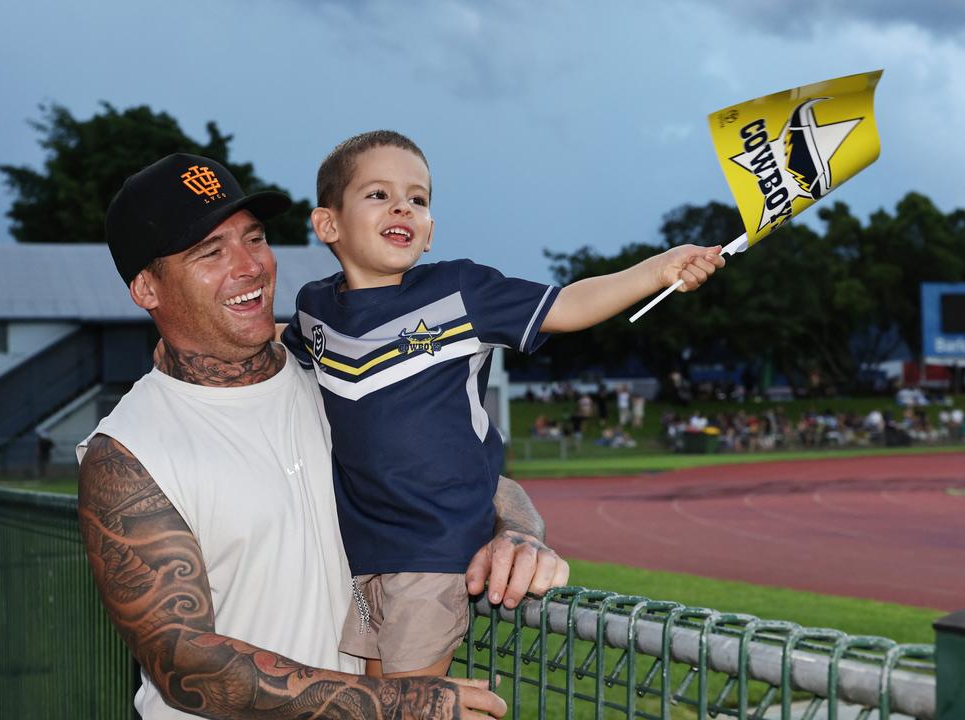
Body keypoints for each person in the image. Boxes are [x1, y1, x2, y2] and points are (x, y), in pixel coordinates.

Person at [77, 153, 569, 719]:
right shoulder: (127, 451)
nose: (250, 266)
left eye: (255, 238)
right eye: (210, 253)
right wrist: (397, 705)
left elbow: (455, 478)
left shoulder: (335, 373)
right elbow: (183, 663)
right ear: (145, 288)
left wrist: (520, 530)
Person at [282, 130, 724, 678]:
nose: (403, 206)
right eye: (378, 194)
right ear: (328, 224)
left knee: (408, 706)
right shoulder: (314, 307)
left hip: (433, 549)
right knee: (373, 704)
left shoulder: (460, 291)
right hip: (355, 552)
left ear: (429, 232)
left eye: (418, 199)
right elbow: (279, 345)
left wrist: (656, 269)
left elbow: (567, 303)